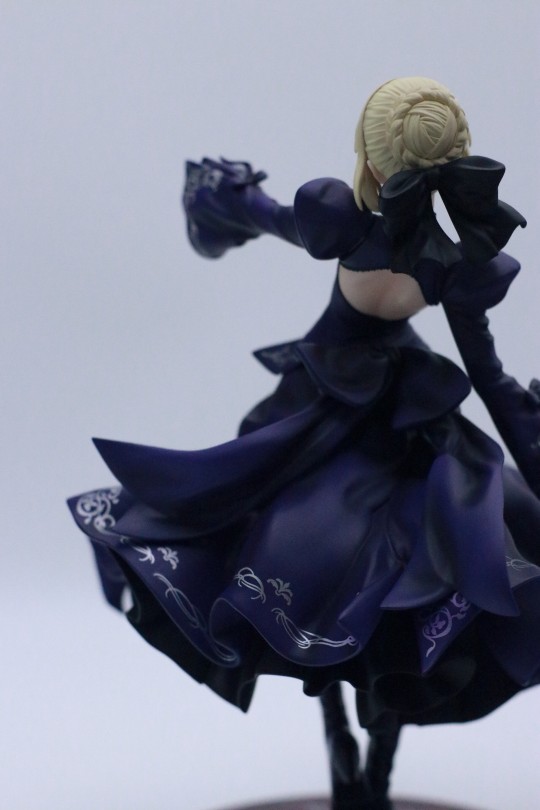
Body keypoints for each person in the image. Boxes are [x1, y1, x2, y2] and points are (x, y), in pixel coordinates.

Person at [68, 77, 540, 809]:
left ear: (367, 158)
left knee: (301, 565)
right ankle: (364, 760)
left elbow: (264, 214)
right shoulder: (452, 262)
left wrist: (224, 199)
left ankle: (347, 746)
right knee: (402, 589)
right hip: (405, 428)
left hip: (329, 426)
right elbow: (492, 378)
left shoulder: (340, 223)